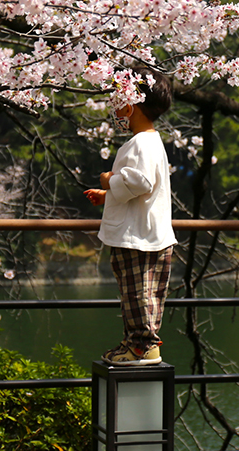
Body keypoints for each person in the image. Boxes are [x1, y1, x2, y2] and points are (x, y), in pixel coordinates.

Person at [84, 66, 176, 366]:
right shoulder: (150, 141)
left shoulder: (140, 143)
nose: (115, 103)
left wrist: (109, 180)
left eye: (119, 96)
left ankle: (142, 346)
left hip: (138, 238)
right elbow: (142, 187)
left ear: (132, 102)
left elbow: (139, 182)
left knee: (137, 295)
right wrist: (109, 196)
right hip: (149, 234)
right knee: (143, 295)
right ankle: (136, 343)